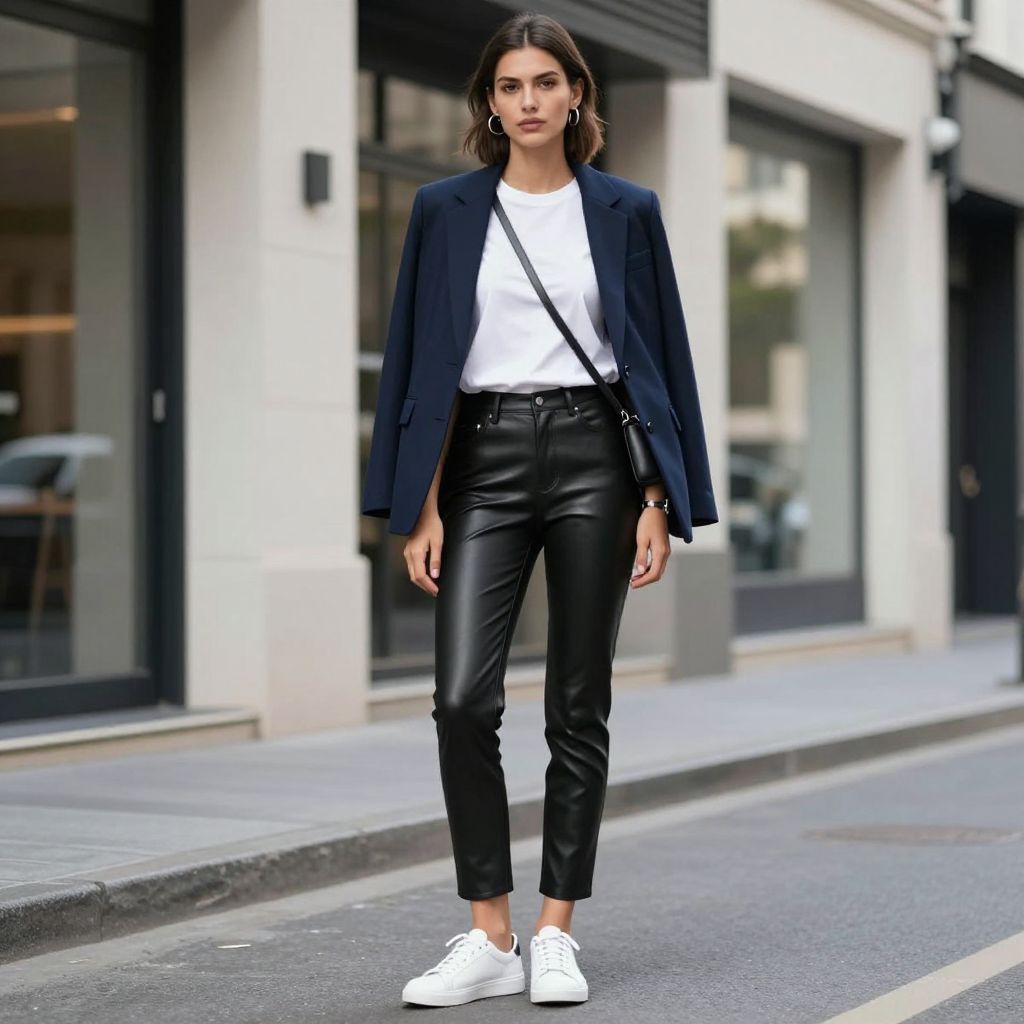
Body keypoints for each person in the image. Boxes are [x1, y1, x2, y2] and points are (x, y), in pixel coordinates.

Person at [360, 10, 718, 1008]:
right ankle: (488, 931)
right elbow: (416, 362)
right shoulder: (443, 209)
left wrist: (657, 495)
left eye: (543, 84)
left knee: (576, 700)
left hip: (596, 460)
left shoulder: (625, 209)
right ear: (488, 102)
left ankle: (554, 929)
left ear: (574, 97)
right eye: (508, 86)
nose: (525, 101)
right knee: (462, 699)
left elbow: (655, 359)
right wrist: (419, 504)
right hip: (480, 456)